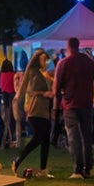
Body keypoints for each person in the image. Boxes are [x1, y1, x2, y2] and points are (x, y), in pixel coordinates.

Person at [54, 37, 94, 179]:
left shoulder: (65, 63)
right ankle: (88, 166)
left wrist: (59, 99)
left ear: (68, 47)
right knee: (86, 135)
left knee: (73, 136)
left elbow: (57, 85)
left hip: (70, 103)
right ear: (78, 45)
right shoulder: (89, 61)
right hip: (86, 103)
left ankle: (77, 169)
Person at [11, 49, 54, 177]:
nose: (45, 62)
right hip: (35, 110)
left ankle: (43, 169)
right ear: (37, 60)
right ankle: (18, 160)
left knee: (45, 140)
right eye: (43, 60)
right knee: (38, 137)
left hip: (44, 110)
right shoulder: (33, 73)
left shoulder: (42, 74)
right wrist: (43, 93)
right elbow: (30, 91)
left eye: (46, 60)